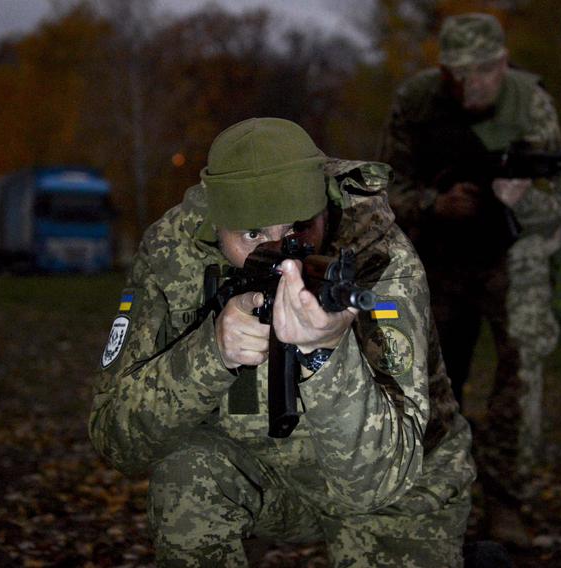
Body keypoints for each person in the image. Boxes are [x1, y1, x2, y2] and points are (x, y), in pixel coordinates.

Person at [88, 117, 476, 566]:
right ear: (218, 224)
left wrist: (327, 353)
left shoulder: (380, 259)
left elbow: (378, 480)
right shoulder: (173, 252)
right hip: (263, 474)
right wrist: (211, 354)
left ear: (323, 208)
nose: (285, 254)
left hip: (402, 486)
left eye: (300, 227)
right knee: (187, 473)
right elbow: (115, 440)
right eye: (253, 235)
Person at [378, 12, 561, 547]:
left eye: (486, 69)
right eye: (460, 72)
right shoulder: (416, 102)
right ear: (443, 72)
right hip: (438, 258)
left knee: (523, 368)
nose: (474, 82)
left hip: (510, 256)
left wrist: (515, 204)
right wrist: (436, 205)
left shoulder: (531, 104)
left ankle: (507, 502)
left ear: (504, 62)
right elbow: (383, 188)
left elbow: (555, 208)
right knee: (432, 381)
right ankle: (436, 497)